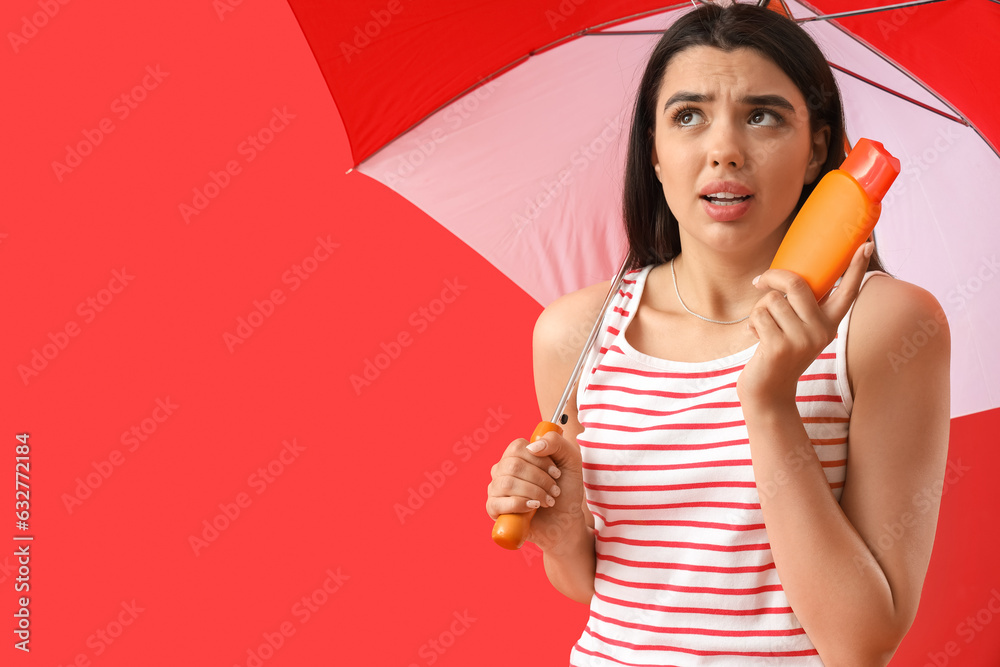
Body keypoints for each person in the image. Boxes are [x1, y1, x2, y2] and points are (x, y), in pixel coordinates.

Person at [485, 2, 951, 665]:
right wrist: (563, 536)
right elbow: (605, 588)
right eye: (688, 116)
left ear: (817, 145)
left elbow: (860, 642)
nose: (724, 149)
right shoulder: (577, 331)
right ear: (653, 149)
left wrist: (769, 404)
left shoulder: (884, 326)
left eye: (763, 115)